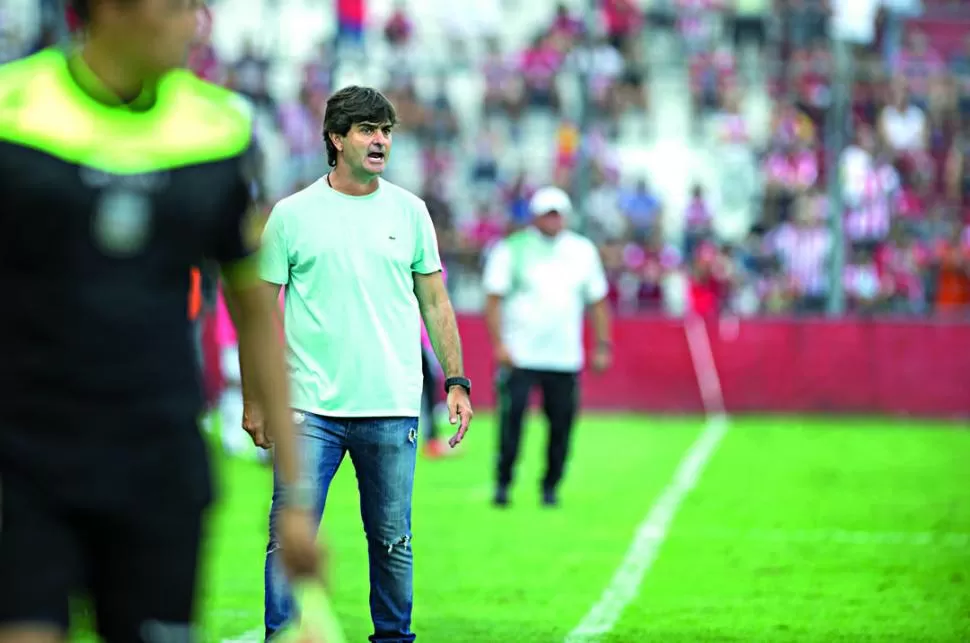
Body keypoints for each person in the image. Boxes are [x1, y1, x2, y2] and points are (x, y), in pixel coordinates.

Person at [0, 0, 321, 641]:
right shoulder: (13, 113)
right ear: (111, 10)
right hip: (28, 461)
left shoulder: (219, 129)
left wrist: (295, 498)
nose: (194, 23)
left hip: (160, 463)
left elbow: (255, 311)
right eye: (176, 7)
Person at [241, 85, 474, 643]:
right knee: (286, 538)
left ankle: (393, 639)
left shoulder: (411, 211)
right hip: (308, 409)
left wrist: (457, 380)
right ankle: (282, 637)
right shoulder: (292, 215)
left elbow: (436, 301)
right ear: (335, 138)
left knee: (393, 540)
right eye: (368, 129)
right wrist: (255, 398)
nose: (380, 141)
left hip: (392, 406)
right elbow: (259, 311)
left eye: (386, 131)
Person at [482, 186, 611, 508]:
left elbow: (597, 302)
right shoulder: (512, 249)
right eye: (547, 214)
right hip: (521, 355)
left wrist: (602, 345)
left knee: (562, 427)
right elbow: (493, 300)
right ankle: (503, 482)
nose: (553, 220)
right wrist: (499, 344)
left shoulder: (583, 251)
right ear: (535, 216)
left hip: (564, 357)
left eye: (557, 214)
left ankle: (551, 485)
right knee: (511, 425)